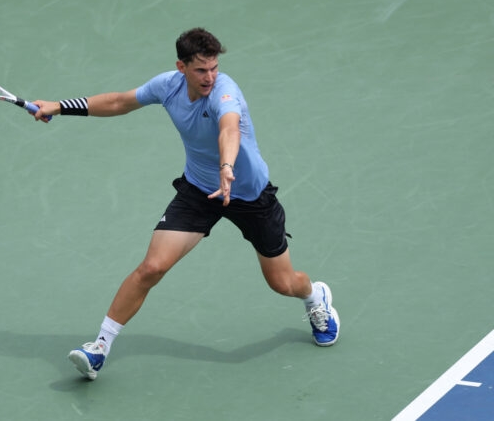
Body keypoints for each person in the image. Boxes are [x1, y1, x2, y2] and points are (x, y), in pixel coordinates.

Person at [32, 28, 340, 380]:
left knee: (283, 283)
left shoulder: (225, 91)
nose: (210, 77)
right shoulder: (167, 86)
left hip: (249, 196)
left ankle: (315, 296)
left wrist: (227, 167)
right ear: (181, 67)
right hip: (199, 192)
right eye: (200, 70)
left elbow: (229, 129)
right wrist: (59, 106)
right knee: (152, 268)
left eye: (214, 68)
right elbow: (119, 101)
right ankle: (99, 347)